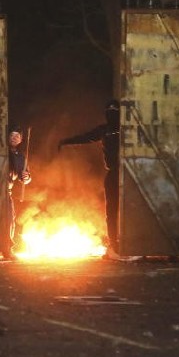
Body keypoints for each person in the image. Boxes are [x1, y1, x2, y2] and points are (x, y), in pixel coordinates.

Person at [57, 100, 120, 257]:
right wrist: (66, 141)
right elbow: (86, 137)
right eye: (109, 110)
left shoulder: (127, 129)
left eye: (115, 110)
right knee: (111, 210)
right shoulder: (104, 130)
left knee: (127, 210)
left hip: (128, 174)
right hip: (113, 174)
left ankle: (130, 242)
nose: (111, 113)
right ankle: (114, 244)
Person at [6, 124, 31, 259]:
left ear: (21, 140)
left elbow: (25, 177)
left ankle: (7, 248)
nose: (14, 138)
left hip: (6, 191)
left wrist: (26, 177)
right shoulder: (0, 150)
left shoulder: (20, 157)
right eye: (12, 135)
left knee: (9, 219)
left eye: (17, 136)